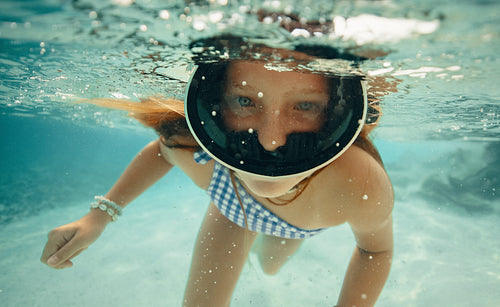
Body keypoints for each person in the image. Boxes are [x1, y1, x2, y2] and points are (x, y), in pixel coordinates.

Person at [41, 42, 394, 307]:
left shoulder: (357, 183)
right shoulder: (203, 154)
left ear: (337, 118)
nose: (271, 142)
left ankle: (277, 243)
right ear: (217, 109)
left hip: (299, 224)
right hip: (232, 211)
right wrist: (98, 216)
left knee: (269, 265)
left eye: (305, 106)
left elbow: (374, 252)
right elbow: (165, 150)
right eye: (244, 101)